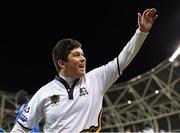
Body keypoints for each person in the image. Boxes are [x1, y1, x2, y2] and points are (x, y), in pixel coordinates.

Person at [11, 8, 158, 132]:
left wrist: (141, 32)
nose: (83, 59)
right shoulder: (44, 93)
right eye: (76, 55)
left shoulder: (96, 80)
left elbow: (123, 59)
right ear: (62, 63)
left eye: (82, 54)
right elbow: (20, 128)